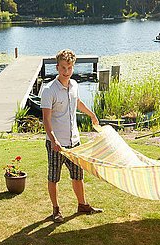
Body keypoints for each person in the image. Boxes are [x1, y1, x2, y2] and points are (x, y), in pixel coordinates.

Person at [41, 49, 102, 223]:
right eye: (62, 68)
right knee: (54, 177)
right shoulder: (49, 90)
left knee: (78, 176)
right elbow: (46, 119)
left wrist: (92, 114)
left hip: (75, 142)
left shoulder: (74, 85)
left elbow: (78, 102)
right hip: (56, 143)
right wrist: (54, 141)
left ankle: (82, 205)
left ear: (72, 68)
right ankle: (56, 210)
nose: (66, 71)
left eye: (69, 68)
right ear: (57, 67)